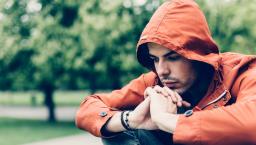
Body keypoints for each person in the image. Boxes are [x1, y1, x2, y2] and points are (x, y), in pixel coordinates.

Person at [76, 0, 256, 145]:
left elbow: (251, 122)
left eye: (173, 57)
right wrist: (131, 119)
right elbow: (88, 108)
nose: (162, 70)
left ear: (197, 54)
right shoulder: (155, 82)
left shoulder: (242, 71)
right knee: (119, 132)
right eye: (155, 59)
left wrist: (165, 120)